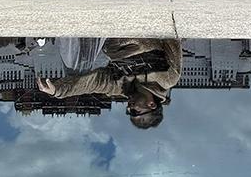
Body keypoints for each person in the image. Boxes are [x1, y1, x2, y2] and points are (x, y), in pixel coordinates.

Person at [37, 38, 181, 129]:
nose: (129, 107)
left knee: (76, 70)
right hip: (142, 24)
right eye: (135, 111)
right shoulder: (168, 78)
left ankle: (67, 24)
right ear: (152, 105)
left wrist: (59, 90)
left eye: (129, 112)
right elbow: (172, 39)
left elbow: (93, 83)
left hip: (112, 35)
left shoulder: (120, 88)